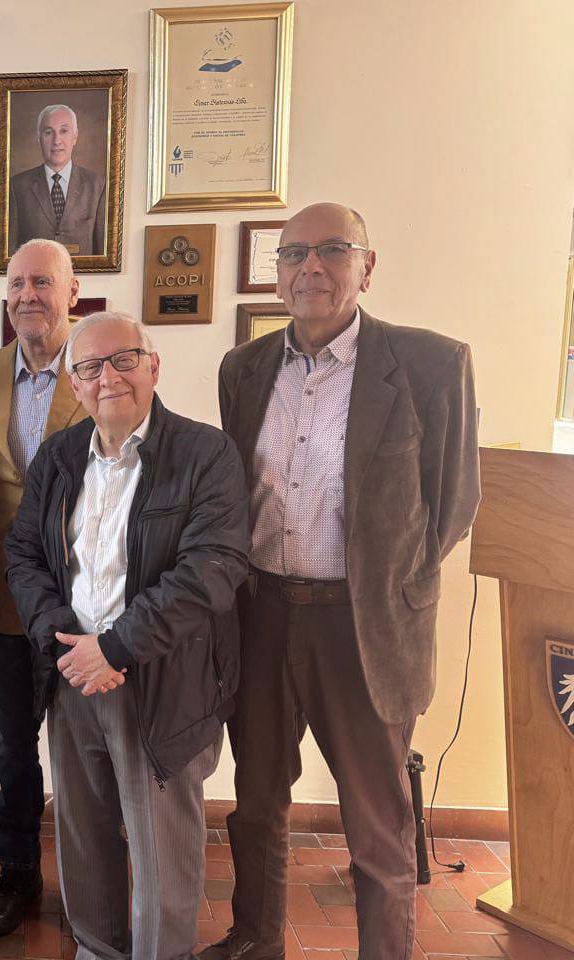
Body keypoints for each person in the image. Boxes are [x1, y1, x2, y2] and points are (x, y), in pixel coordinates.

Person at [202, 203, 481, 960]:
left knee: (375, 820)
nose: (311, 268)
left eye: (332, 251)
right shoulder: (246, 368)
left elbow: (454, 500)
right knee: (257, 800)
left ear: (367, 265)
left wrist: (397, 586)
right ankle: (255, 939)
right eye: (294, 254)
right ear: (278, 271)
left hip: (365, 626)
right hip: (262, 616)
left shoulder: (429, 365)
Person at [5, 311, 249, 960]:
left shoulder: (205, 454)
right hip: (72, 677)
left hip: (162, 681)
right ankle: (98, 951)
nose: (106, 377)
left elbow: (213, 568)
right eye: (88, 367)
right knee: (84, 844)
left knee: (162, 856)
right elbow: (22, 555)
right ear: (75, 385)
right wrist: (64, 639)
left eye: (123, 360)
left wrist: (114, 648)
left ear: (153, 367)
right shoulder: (59, 457)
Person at [0, 238, 87, 936]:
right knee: (15, 744)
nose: (29, 295)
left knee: (93, 743)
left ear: (72, 293)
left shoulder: (103, 364)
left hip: (89, 598)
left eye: (43, 282)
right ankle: (18, 873)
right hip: (4, 596)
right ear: (5, 297)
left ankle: (96, 879)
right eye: (17, 284)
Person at [8, 105, 107, 256]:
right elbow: (10, 255)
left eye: (64, 131)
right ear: (39, 138)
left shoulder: (98, 185)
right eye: (49, 132)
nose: (57, 141)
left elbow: (103, 255)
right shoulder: (17, 187)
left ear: (75, 137)